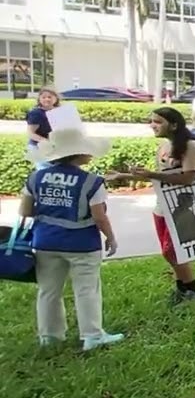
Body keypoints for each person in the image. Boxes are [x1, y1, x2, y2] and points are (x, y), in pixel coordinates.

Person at [22, 127, 123, 350]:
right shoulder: (92, 182)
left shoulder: (36, 177)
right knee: (86, 289)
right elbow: (100, 217)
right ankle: (92, 336)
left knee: (48, 290)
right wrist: (111, 238)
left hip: (45, 242)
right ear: (79, 154)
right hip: (82, 245)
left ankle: (49, 336)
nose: (90, 154)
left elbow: (25, 211)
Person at [127, 107, 195, 303]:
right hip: (162, 205)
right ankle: (182, 288)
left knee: (171, 250)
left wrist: (151, 175)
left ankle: (193, 290)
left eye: (158, 121)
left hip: (183, 205)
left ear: (174, 125)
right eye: (152, 120)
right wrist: (125, 176)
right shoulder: (164, 145)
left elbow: (188, 178)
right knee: (170, 252)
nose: (153, 125)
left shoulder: (191, 146)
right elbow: (162, 175)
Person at [25, 88, 59, 171]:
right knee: (44, 170)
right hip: (38, 146)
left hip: (55, 146)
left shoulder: (59, 111)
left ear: (55, 98)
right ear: (39, 99)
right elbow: (31, 133)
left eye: (49, 97)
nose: (47, 99)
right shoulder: (36, 113)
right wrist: (46, 142)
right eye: (43, 97)